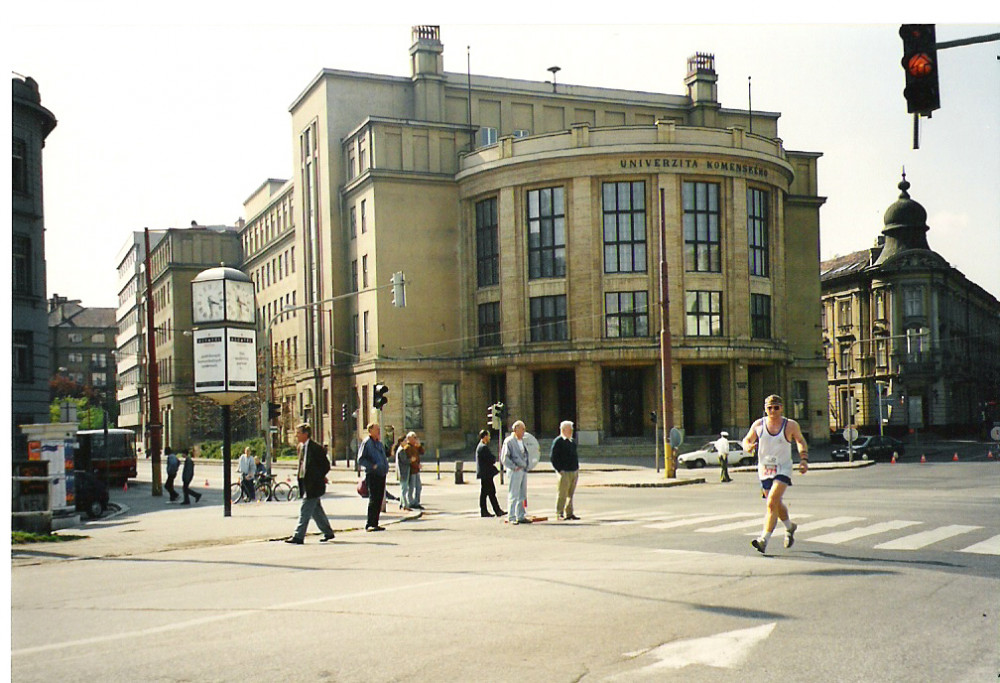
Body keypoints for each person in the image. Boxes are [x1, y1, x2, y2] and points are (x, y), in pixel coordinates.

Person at [742, 394, 809, 554]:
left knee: (771, 502)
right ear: (765, 409)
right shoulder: (758, 424)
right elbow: (746, 440)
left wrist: (803, 459)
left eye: (776, 407)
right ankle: (789, 527)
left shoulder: (790, 425)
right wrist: (748, 447)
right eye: (769, 408)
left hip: (783, 468)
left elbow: (800, 440)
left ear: (782, 408)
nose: (773, 411)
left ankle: (763, 540)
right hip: (764, 469)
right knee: (776, 504)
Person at [286, 423, 336, 544]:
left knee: (305, 510)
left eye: (298, 433)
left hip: (313, 485)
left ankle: (298, 536)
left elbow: (325, 466)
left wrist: (317, 477)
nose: (296, 435)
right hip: (305, 484)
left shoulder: (315, 448)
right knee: (316, 510)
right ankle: (328, 532)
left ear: (305, 434)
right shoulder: (301, 447)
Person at [357, 422, 389, 531]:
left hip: (381, 474)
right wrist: (373, 466)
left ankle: (375, 522)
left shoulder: (379, 443)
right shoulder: (367, 443)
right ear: (370, 431)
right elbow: (361, 459)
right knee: (374, 498)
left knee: (379, 499)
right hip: (373, 474)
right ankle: (370, 523)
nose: (378, 431)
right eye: (376, 429)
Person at [500, 420, 531, 525]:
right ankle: (511, 516)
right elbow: (504, 458)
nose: (524, 431)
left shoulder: (523, 441)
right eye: (522, 429)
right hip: (515, 470)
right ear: (516, 429)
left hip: (523, 469)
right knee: (514, 494)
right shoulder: (509, 441)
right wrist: (513, 467)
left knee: (522, 494)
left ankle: (520, 515)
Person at [549, 420, 580, 520]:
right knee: (562, 493)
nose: (571, 431)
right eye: (569, 429)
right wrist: (559, 469)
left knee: (570, 494)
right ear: (563, 430)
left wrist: (577, 468)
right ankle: (559, 513)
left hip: (573, 470)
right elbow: (553, 457)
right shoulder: (558, 441)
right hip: (564, 471)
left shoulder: (572, 441)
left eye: (572, 429)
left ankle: (569, 513)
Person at [475, 429, 505, 517]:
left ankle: (489, 510)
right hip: (486, 474)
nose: (489, 438)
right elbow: (490, 459)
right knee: (490, 492)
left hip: (485, 473)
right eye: (488, 436)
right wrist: (494, 458)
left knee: (486, 492)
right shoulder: (483, 447)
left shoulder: (481, 446)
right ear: (484, 437)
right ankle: (495, 510)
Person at [403, 432, 424, 510]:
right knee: (411, 487)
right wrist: (416, 465)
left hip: (416, 470)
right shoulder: (407, 447)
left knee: (419, 487)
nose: (415, 439)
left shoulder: (415, 447)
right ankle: (411, 502)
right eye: (414, 437)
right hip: (412, 471)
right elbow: (409, 460)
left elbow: (422, 452)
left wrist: (419, 446)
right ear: (409, 439)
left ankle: (416, 502)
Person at [394, 435, 411, 510]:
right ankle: (405, 505)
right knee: (404, 489)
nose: (406, 442)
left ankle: (401, 504)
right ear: (401, 442)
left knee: (403, 488)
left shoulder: (400, 449)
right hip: (403, 472)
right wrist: (411, 460)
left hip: (401, 472)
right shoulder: (401, 450)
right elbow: (404, 461)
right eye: (405, 441)